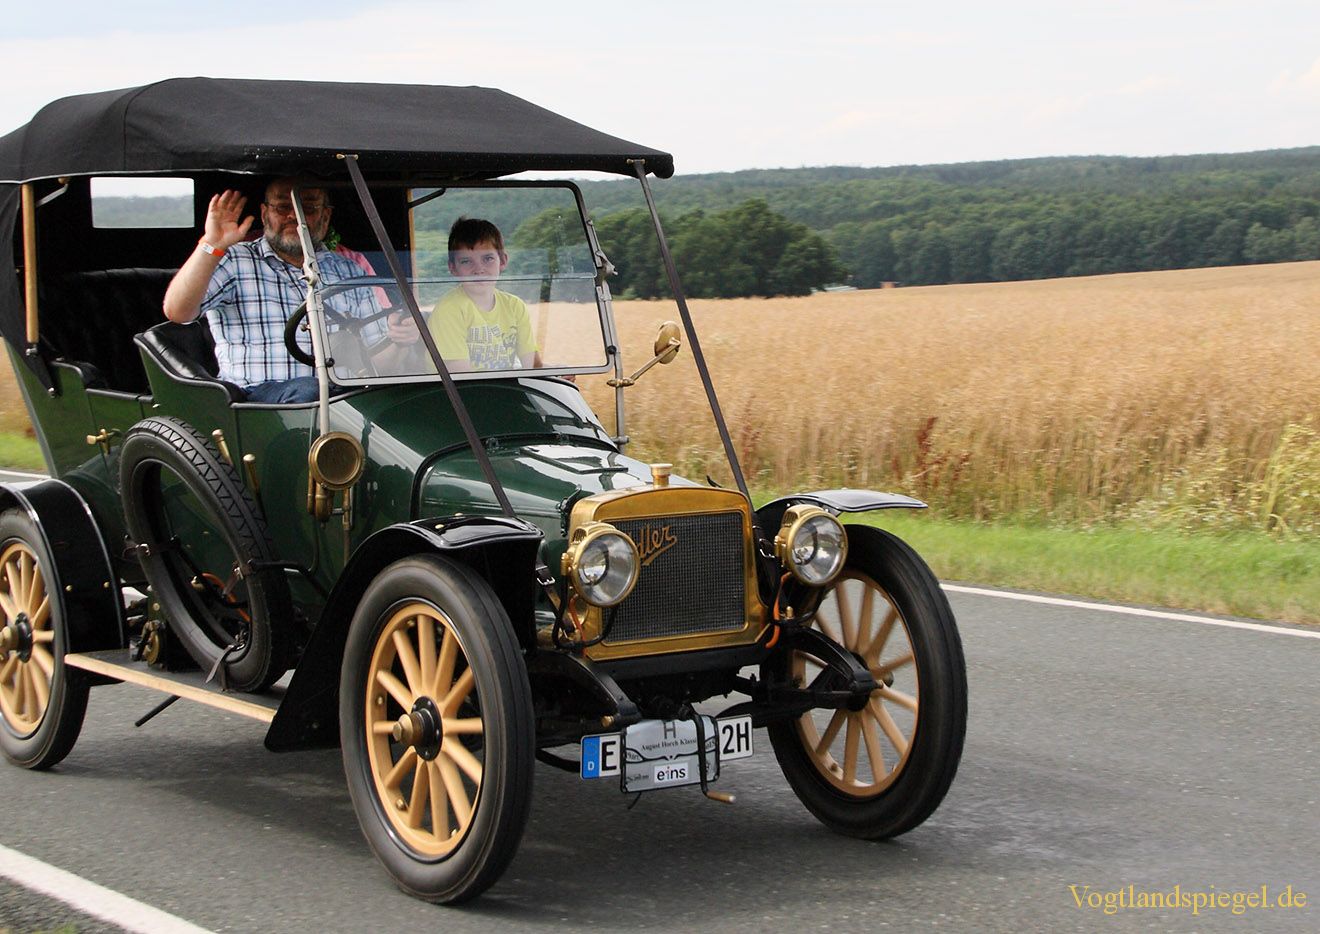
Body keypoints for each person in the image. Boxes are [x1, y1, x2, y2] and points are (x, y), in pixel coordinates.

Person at [162, 177, 419, 403]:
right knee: (311, 391)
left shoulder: (351, 271)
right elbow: (177, 311)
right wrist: (211, 245)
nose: (294, 216)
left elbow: (376, 364)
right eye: (283, 206)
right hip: (257, 402)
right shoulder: (234, 261)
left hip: (343, 401)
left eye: (307, 207)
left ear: (325, 217)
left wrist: (400, 341)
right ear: (265, 214)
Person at [428, 218, 542, 371]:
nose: (479, 269)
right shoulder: (448, 310)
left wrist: (555, 373)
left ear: (502, 261)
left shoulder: (515, 306)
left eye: (487, 259)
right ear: (453, 268)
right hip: (458, 392)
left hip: (499, 389)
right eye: (466, 261)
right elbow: (461, 378)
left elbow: (533, 366)